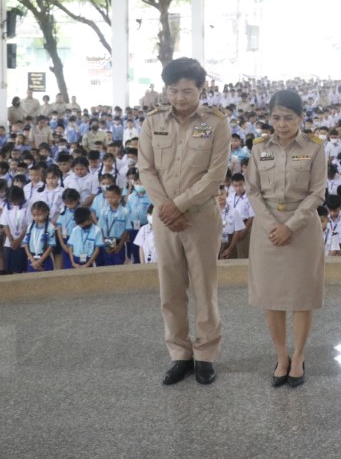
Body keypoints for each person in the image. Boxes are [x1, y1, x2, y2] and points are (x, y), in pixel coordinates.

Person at [138, 57, 230, 387]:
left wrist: (177, 206)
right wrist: (165, 208)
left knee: (204, 288)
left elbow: (215, 175)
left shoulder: (216, 123)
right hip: (164, 217)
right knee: (170, 289)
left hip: (200, 216)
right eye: (173, 90)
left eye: (187, 91)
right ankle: (179, 353)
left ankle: (205, 354)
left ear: (201, 89)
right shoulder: (153, 122)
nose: (179, 97)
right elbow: (146, 168)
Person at [246, 89, 326, 389]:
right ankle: (281, 356)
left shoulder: (315, 147)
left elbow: (317, 192)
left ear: (301, 118)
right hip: (267, 230)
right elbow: (253, 191)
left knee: (301, 297)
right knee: (273, 297)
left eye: (288, 118)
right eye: (276, 118)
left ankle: (299, 355)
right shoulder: (258, 149)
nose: (281, 124)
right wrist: (272, 226)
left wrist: (290, 226)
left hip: (302, 229)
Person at [23, 201, 56, 272]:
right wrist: (32, 260)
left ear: (46, 213)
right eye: (34, 215)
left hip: (45, 258)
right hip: (32, 258)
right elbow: (25, 244)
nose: (36, 217)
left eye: (39, 215)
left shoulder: (50, 228)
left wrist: (40, 261)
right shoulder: (30, 226)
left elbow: (51, 246)